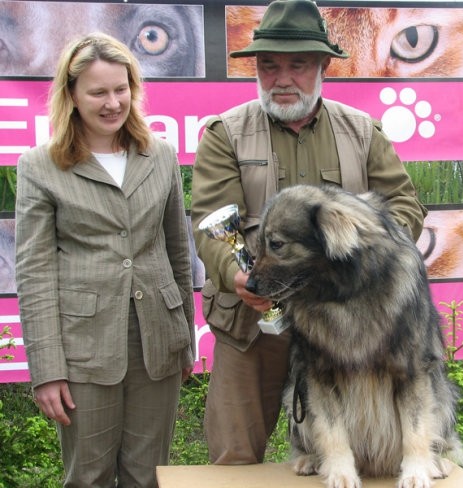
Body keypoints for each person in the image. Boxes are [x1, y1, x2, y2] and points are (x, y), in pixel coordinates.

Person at [191, 0, 427, 465]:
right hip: (250, 325)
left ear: (323, 66)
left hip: (348, 324)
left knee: (353, 456)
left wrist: (369, 252)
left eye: (297, 65)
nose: (282, 78)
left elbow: (403, 207)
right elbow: (211, 225)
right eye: (269, 65)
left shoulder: (364, 132)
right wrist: (236, 276)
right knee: (234, 460)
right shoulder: (224, 134)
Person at [15, 32, 195, 488]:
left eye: (121, 89)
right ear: (72, 95)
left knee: (149, 474)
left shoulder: (162, 156)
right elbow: (35, 274)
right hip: (83, 349)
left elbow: (177, 251)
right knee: (88, 476)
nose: (113, 102)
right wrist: (47, 369)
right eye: (98, 92)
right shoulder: (41, 166)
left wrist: (184, 339)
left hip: (158, 342)